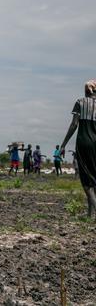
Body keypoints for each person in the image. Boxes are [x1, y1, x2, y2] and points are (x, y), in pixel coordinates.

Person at [60, 80, 96, 218]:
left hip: (84, 143)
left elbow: (74, 124)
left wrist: (63, 144)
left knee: (87, 183)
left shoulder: (80, 102)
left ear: (86, 91)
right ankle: (89, 215)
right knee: (94, 179)